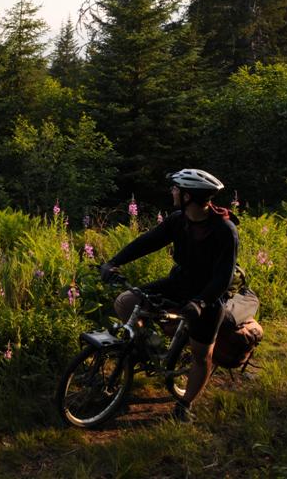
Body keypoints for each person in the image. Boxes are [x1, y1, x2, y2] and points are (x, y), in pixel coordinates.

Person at [99, 169, 239, 423]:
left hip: (207, 295)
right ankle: (147, 347)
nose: (172, 192)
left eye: (176, 189)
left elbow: (223, 277)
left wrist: (200, 302)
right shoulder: (179, 219)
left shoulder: (224, 230)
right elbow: (147, 242)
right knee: (126, 301)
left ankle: (185, 404)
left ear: (188, 196)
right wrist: (113, 262)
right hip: (178, 283)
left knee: (200, 354)